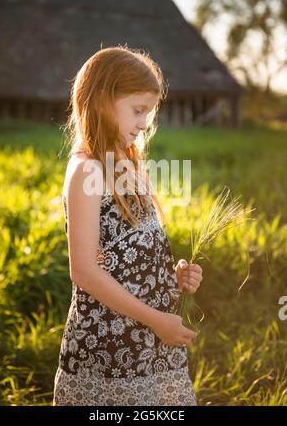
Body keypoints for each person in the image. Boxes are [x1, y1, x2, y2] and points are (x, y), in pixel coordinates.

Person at [53, 46, 203, 406]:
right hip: (110, 348)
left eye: (148, 114)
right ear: (103, 100)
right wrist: (156, 320)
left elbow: (131, 247)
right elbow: (85, 271)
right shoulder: (87, 169)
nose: (144, 123)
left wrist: (172, 275)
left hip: (151, 345)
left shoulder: (129, 163)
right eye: (138, 111)